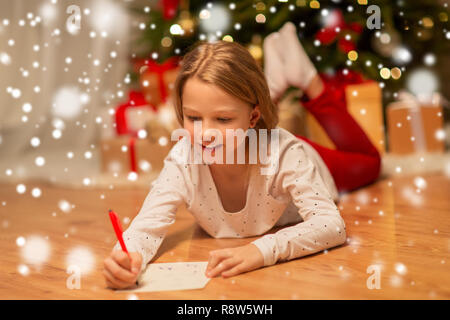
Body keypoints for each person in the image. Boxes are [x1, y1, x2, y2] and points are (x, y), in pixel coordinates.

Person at [103, 23, 381, 290]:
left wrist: (261, 250)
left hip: (305, 156)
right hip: (252, 138)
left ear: (254, 117)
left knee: (370, 162)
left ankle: (307, 79)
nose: (205, 135)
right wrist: (126, 258)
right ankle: (269, 87)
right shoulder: (183, 158)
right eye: (193, 117)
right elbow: (145, 228)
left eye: (222, 119)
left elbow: (331, 225)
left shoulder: (286, 154)